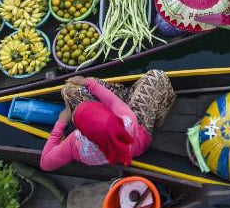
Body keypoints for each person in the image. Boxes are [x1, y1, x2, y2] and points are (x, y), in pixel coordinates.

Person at [39, 71, 174, 171]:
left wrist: (61, 123)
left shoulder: (77, 144)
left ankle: (132, 95)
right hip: (140, 132)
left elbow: (45, 164)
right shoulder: (127, 122)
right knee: (156, 76)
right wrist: (88, 82)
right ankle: (161, 110)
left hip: (120, 144)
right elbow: (113, 102)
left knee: (68, 90)